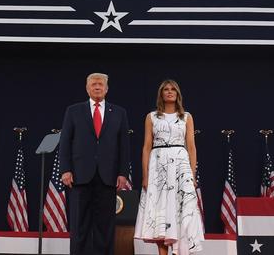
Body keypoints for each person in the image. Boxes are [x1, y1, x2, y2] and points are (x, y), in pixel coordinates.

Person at [59, 73, 130, 255]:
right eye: (93, 84)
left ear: (106, 89)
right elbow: (65, 142)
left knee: (105, 227)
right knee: (79, 225)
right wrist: (66, 169)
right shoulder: (73, 111)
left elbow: (124, 146)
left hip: (108, 176)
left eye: (100, 84)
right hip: (80, 175)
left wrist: (122, 173)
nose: (97, 87)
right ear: (87, 88)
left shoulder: (119, 113)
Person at [134, 79, 204, 255]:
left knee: (181, 210)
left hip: (181, 167)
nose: (169, 92)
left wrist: (192, 175)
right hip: (158, 166)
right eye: (166, 89)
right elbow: (146, 147)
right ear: (161, 94)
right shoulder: (151, 117)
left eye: (173, 89)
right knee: (161, 211)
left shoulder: (186, 117)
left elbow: (191, 147)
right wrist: (145, 175)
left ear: (178, 94)